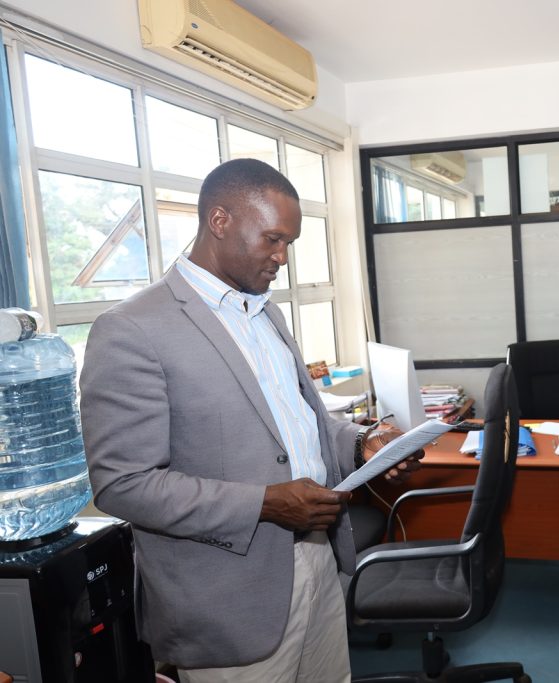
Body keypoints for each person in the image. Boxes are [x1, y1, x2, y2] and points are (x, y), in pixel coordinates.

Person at [80, 158, 422, 682]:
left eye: (288, 243)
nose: (282, 258)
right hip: (228, 596)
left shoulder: (266, 312)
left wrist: (361, 443)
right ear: (220, 221)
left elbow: (302, 424)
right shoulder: (131, 329)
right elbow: (124, 484)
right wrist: (265, 504)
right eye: (273, 240)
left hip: (317, 562)